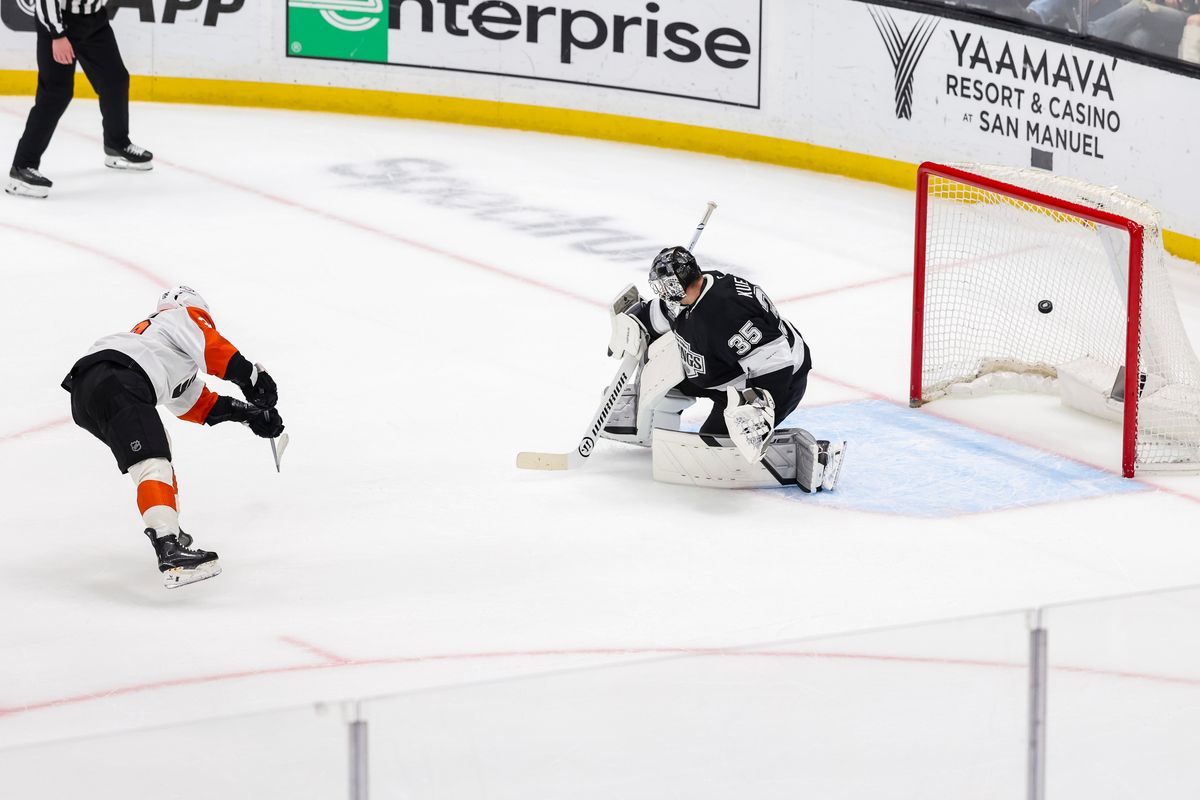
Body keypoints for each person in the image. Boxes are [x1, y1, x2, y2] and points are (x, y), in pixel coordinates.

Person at [61, 286, 284, 588]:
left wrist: (249, 415)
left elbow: (195, 404)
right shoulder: (178, 317)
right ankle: (169, 546)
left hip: (91, 391)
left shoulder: (158, 347)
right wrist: (254, 380)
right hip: (117, 378)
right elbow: (214, 350)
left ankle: (170, 531)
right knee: (153, 460)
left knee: (156, 449)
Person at [604, 246, 825, 463]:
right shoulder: (690, 293)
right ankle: (650, 428)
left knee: (712, 445)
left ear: (682, 284)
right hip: (721, 371)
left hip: (777, 384)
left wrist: (756, 413)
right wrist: (635, 321)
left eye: (668, 287)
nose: (665, 294)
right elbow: (663, 311)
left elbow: (774, 360)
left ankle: (783, 453)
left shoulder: (725, 313)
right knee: (664, 383)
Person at [6, 0, 152, 199]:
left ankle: (116, 145)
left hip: (95, 20)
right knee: (56, 93)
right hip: (59, 22)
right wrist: (57, 35)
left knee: (114, 80)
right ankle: (22, 167)